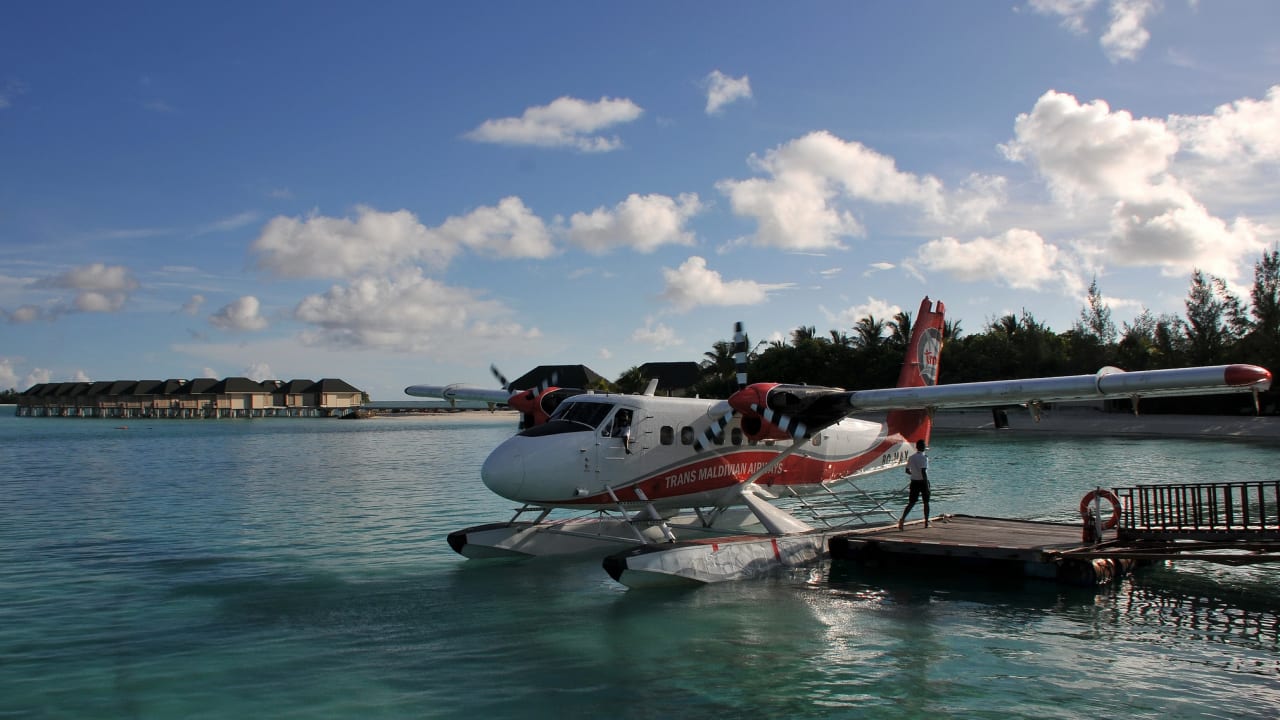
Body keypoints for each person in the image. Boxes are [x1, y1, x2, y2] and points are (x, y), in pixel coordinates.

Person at [898, 439, 930, 530]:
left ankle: (902, 520)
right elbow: (923, 471)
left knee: (911, 502)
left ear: (916, 447)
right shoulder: (925, 458)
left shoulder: (911, 457)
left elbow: (907, 470)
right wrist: (926, 482)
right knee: (926, 502)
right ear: (924, 448)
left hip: (914, 482)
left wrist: (914, 474)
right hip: (922, 482)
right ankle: (926, 522)